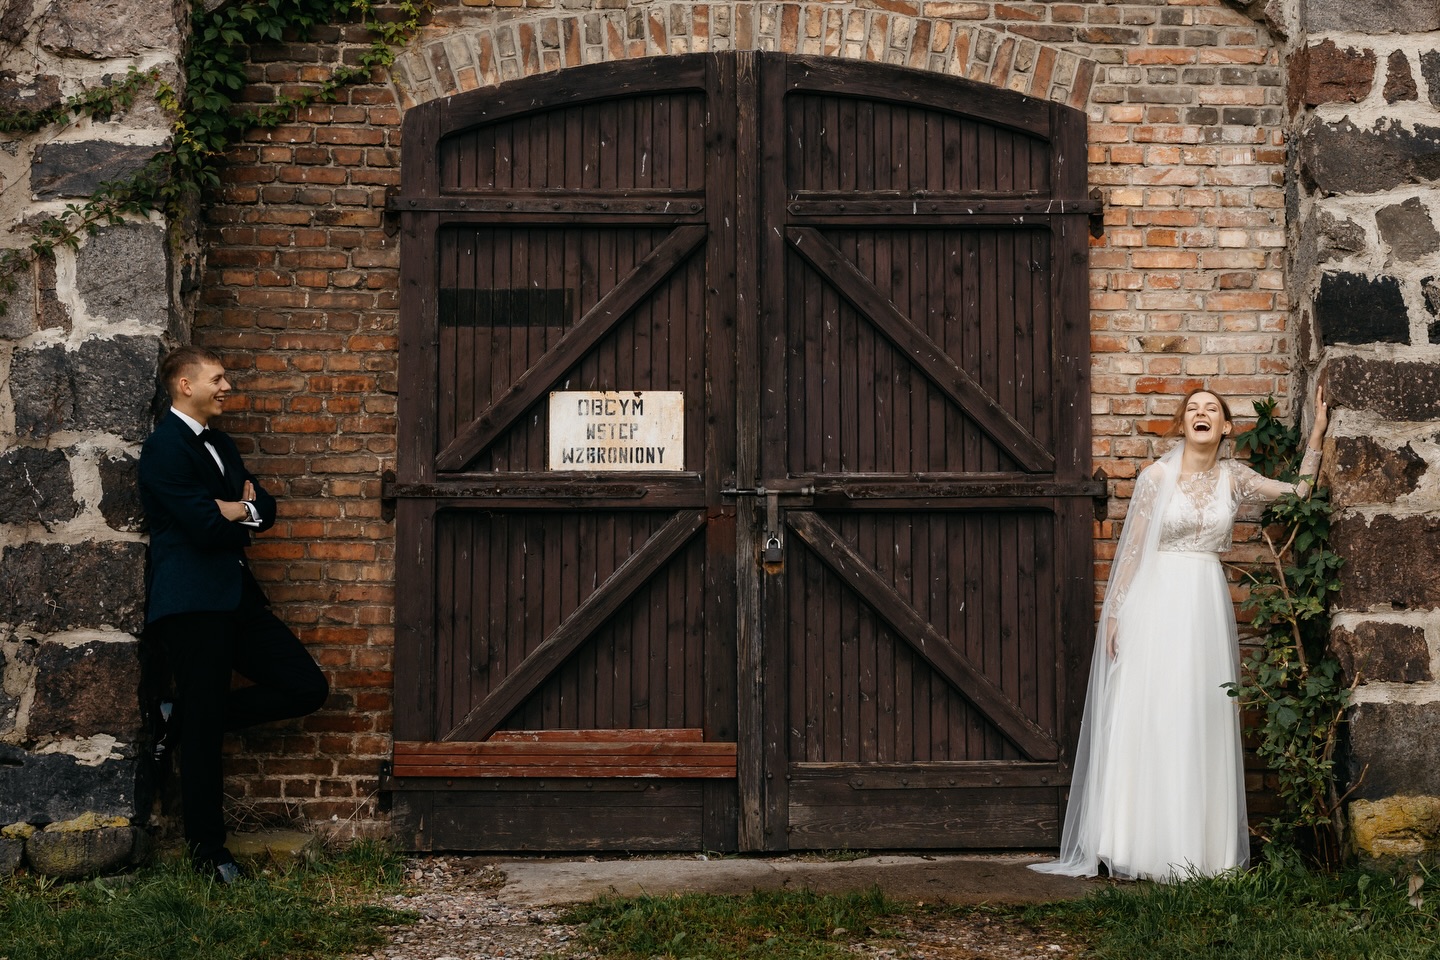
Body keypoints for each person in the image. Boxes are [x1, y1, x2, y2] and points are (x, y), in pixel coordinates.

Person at [1030, 384, 1328, 882]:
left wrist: (1317, 431)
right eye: (1193, 408)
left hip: (1204, 603)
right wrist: (1117, 614)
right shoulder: (1156, 476)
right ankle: (1137, 843)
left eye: (1212, 409)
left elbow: (1300, 493)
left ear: (1227, 427)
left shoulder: (1235, 478)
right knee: (1152, 712)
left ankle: (1199, 850)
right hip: (1156, 599)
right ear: (1183, 423)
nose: (1202, 413)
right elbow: (1132, 550)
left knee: (1199, 714)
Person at [139, 345, 329, 883]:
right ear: (184, 385)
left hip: (237, 595)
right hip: (192, 603)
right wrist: (231, 511)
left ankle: (179, 718)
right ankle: (209, 853)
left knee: (305, 686)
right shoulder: (164, 448)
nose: (226, 388)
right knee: (205, 738)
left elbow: (264, 508)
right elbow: (203, 528)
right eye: (217, 379)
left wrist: (239, 509)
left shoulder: (220, 443)